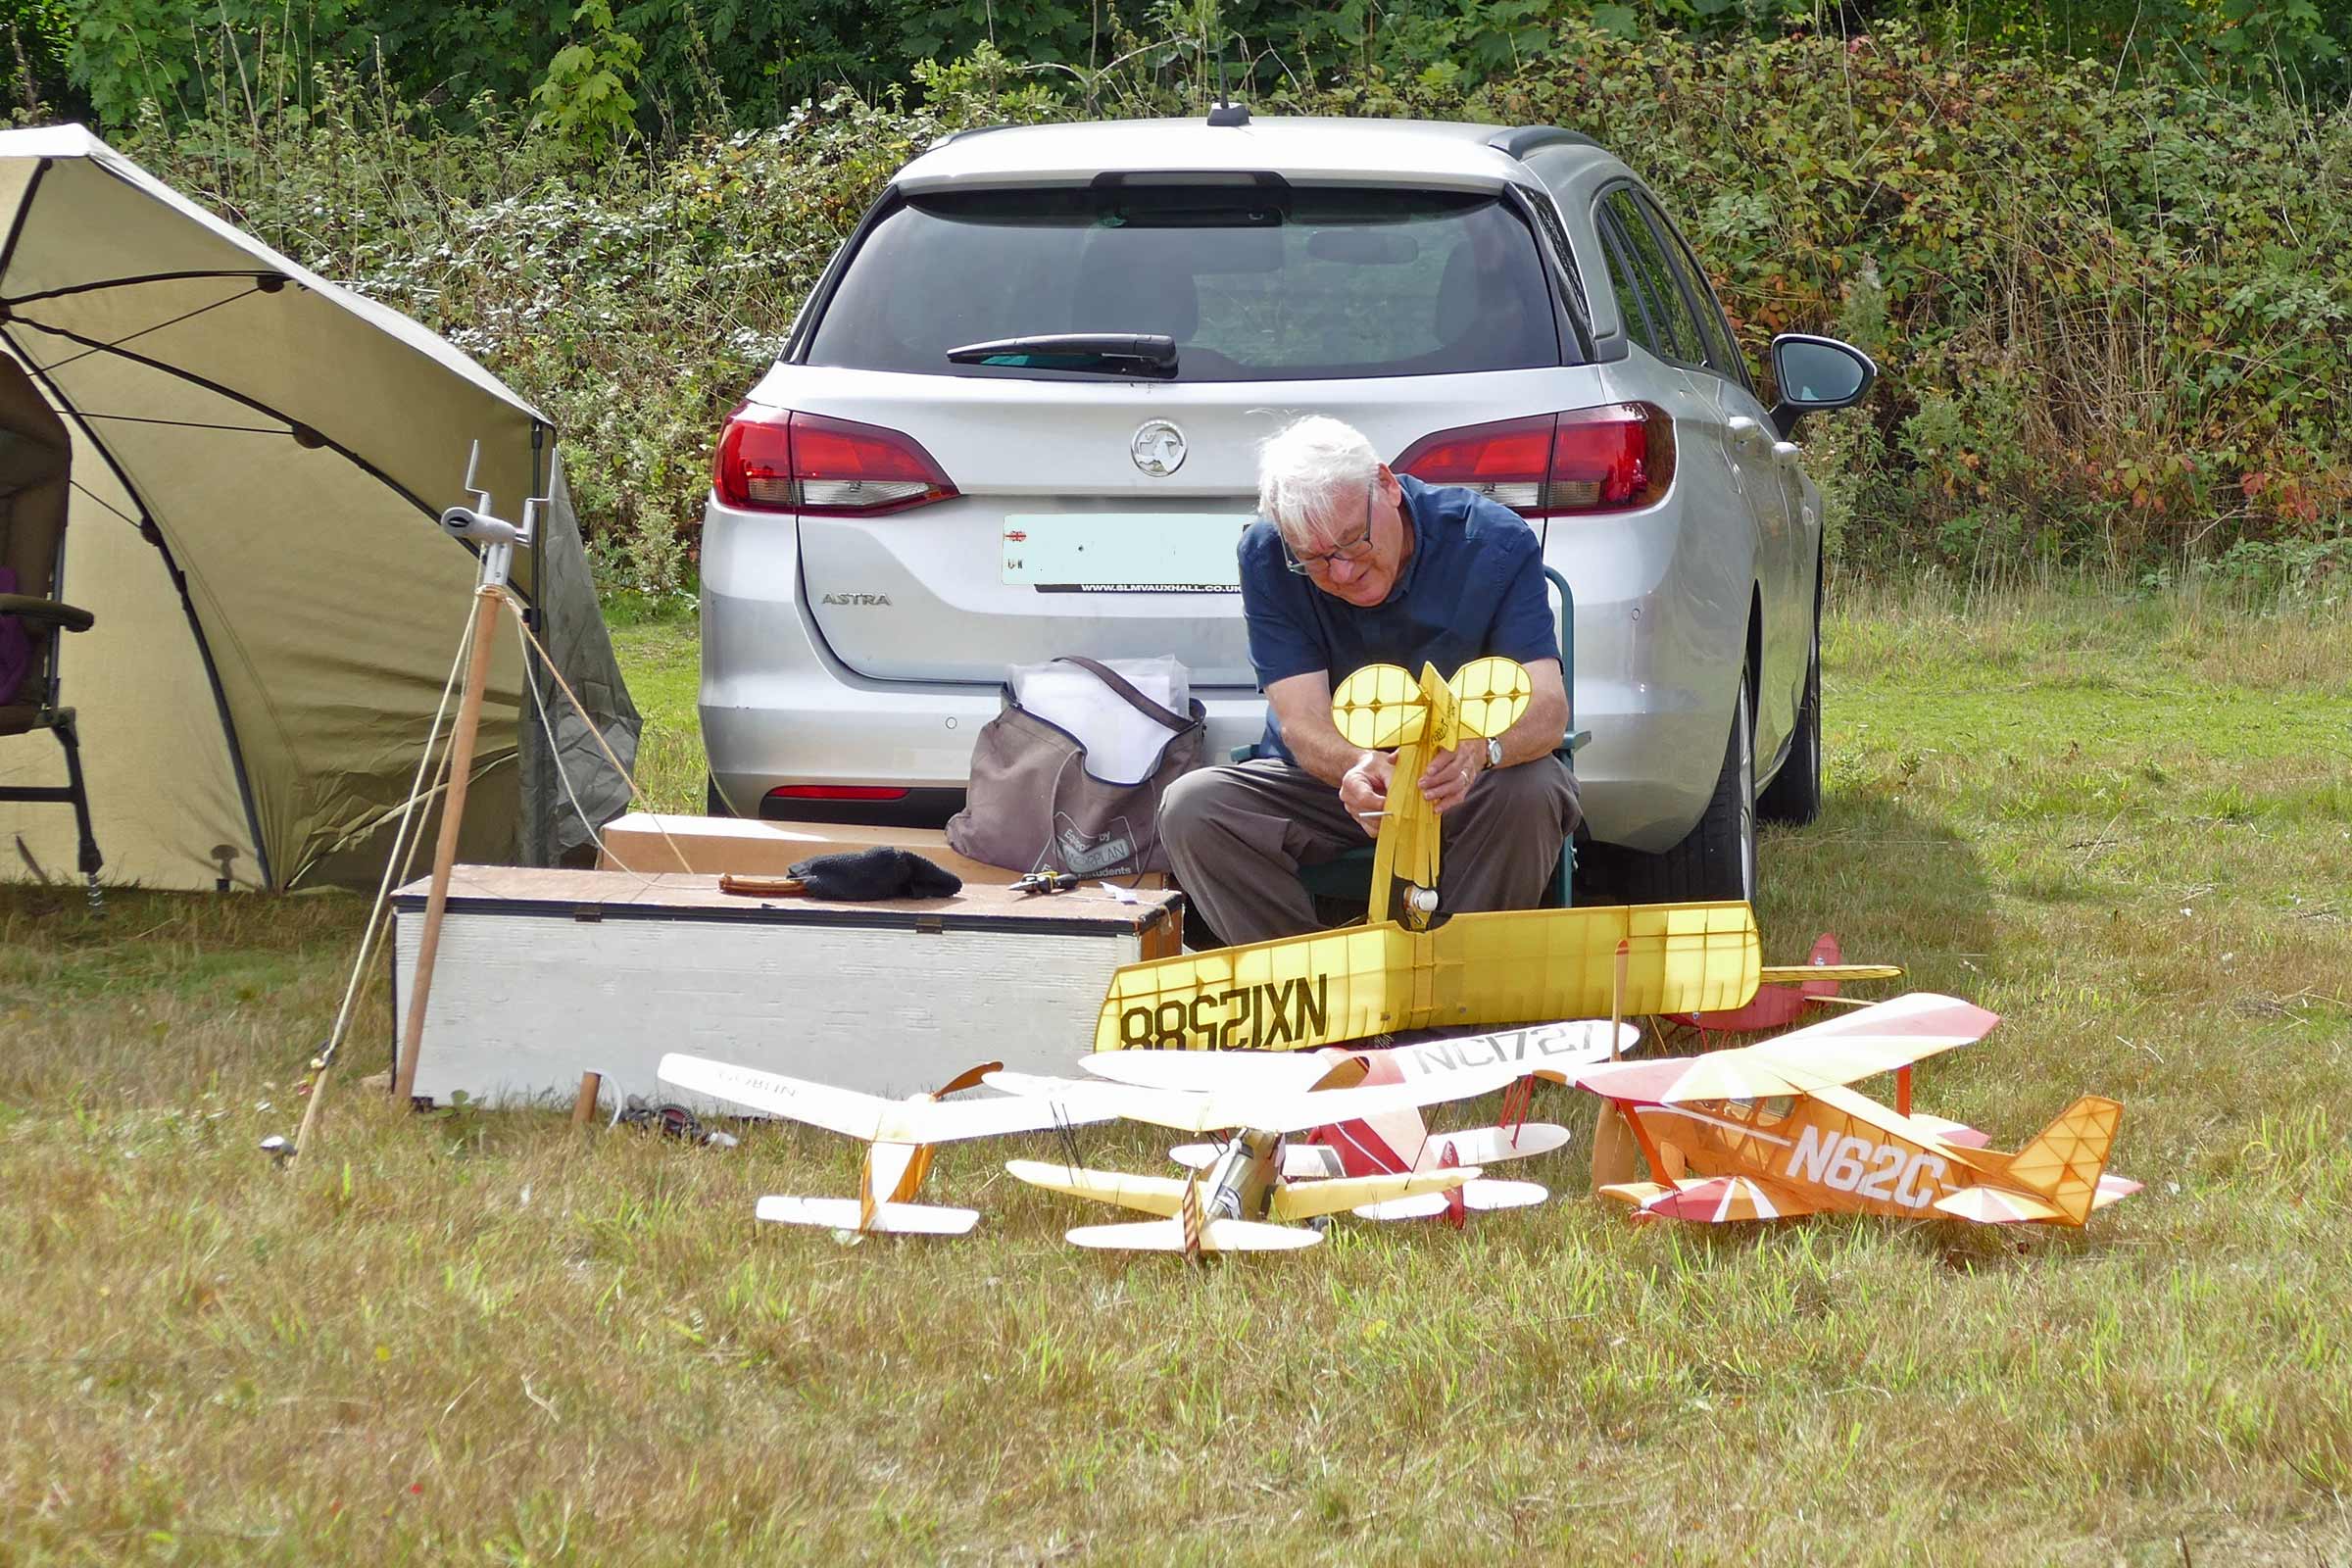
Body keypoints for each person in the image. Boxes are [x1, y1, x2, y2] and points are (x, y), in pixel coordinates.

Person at [1161, 416, 1580, 947]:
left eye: (1352, 542)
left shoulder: (1494, 539)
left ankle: (1458, 981)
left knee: (1533, 789)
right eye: (1313, 560)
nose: (1341, 573)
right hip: (1338, 784)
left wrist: (1481, 750)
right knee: (1192, 806)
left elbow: (1548, 708)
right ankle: (1318, 985)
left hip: (1464, 781)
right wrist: (1355, 765)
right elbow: (1301, 720)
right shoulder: (1267, 554)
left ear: (1387, 486)